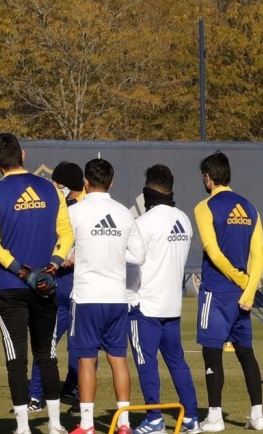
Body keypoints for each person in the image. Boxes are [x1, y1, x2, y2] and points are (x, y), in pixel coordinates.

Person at [0, 134, 72, 434]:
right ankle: (55, 424)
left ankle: (22, 427)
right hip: (45, 285)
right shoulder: (50, 188)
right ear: (23, 154)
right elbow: (67, 234)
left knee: (16, 359)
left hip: (10, 286)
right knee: (47, 355)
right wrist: (53, 265)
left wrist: (21, 271)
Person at [66, 159, 145, 434]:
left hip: (86, 297)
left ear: (85, 182)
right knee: (118, 359)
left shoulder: (74, 212)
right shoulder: (124, 213)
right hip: (116, 298)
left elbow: (61, 247)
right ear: (111, 182)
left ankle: (87, 424)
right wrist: (113, 252)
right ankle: (123, 423)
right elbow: (138, 255)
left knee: (86, 360)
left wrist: (80, 254)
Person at [193, 152, 263, 432]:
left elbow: (213, 252)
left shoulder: (204, 207)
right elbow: (259, 252)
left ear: (208, 178)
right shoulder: (249, 207)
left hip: (216, 291)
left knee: (212, 353)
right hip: (242, 296)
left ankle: (214, 417)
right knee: (246, 353)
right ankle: (258, 416)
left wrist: (239, 279)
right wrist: (249, 289)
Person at [127, 165, 201, 434]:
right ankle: (191, 417)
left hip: (144, 305)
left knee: (146, 363)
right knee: (177, 362)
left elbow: (133, 259)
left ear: (148, 189)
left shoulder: (143, 222)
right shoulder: (184, 219)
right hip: (172, 305)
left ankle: (154, 419)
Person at [28, 162, 84, 410]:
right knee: (46, 340)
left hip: (80, 285)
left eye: (59, 183)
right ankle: (35, 394)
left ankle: (78, 391)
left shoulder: (85, 207)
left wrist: (75, 257)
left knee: (79, 345)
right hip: (58, 283)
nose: (55, 187)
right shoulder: (57, 204)